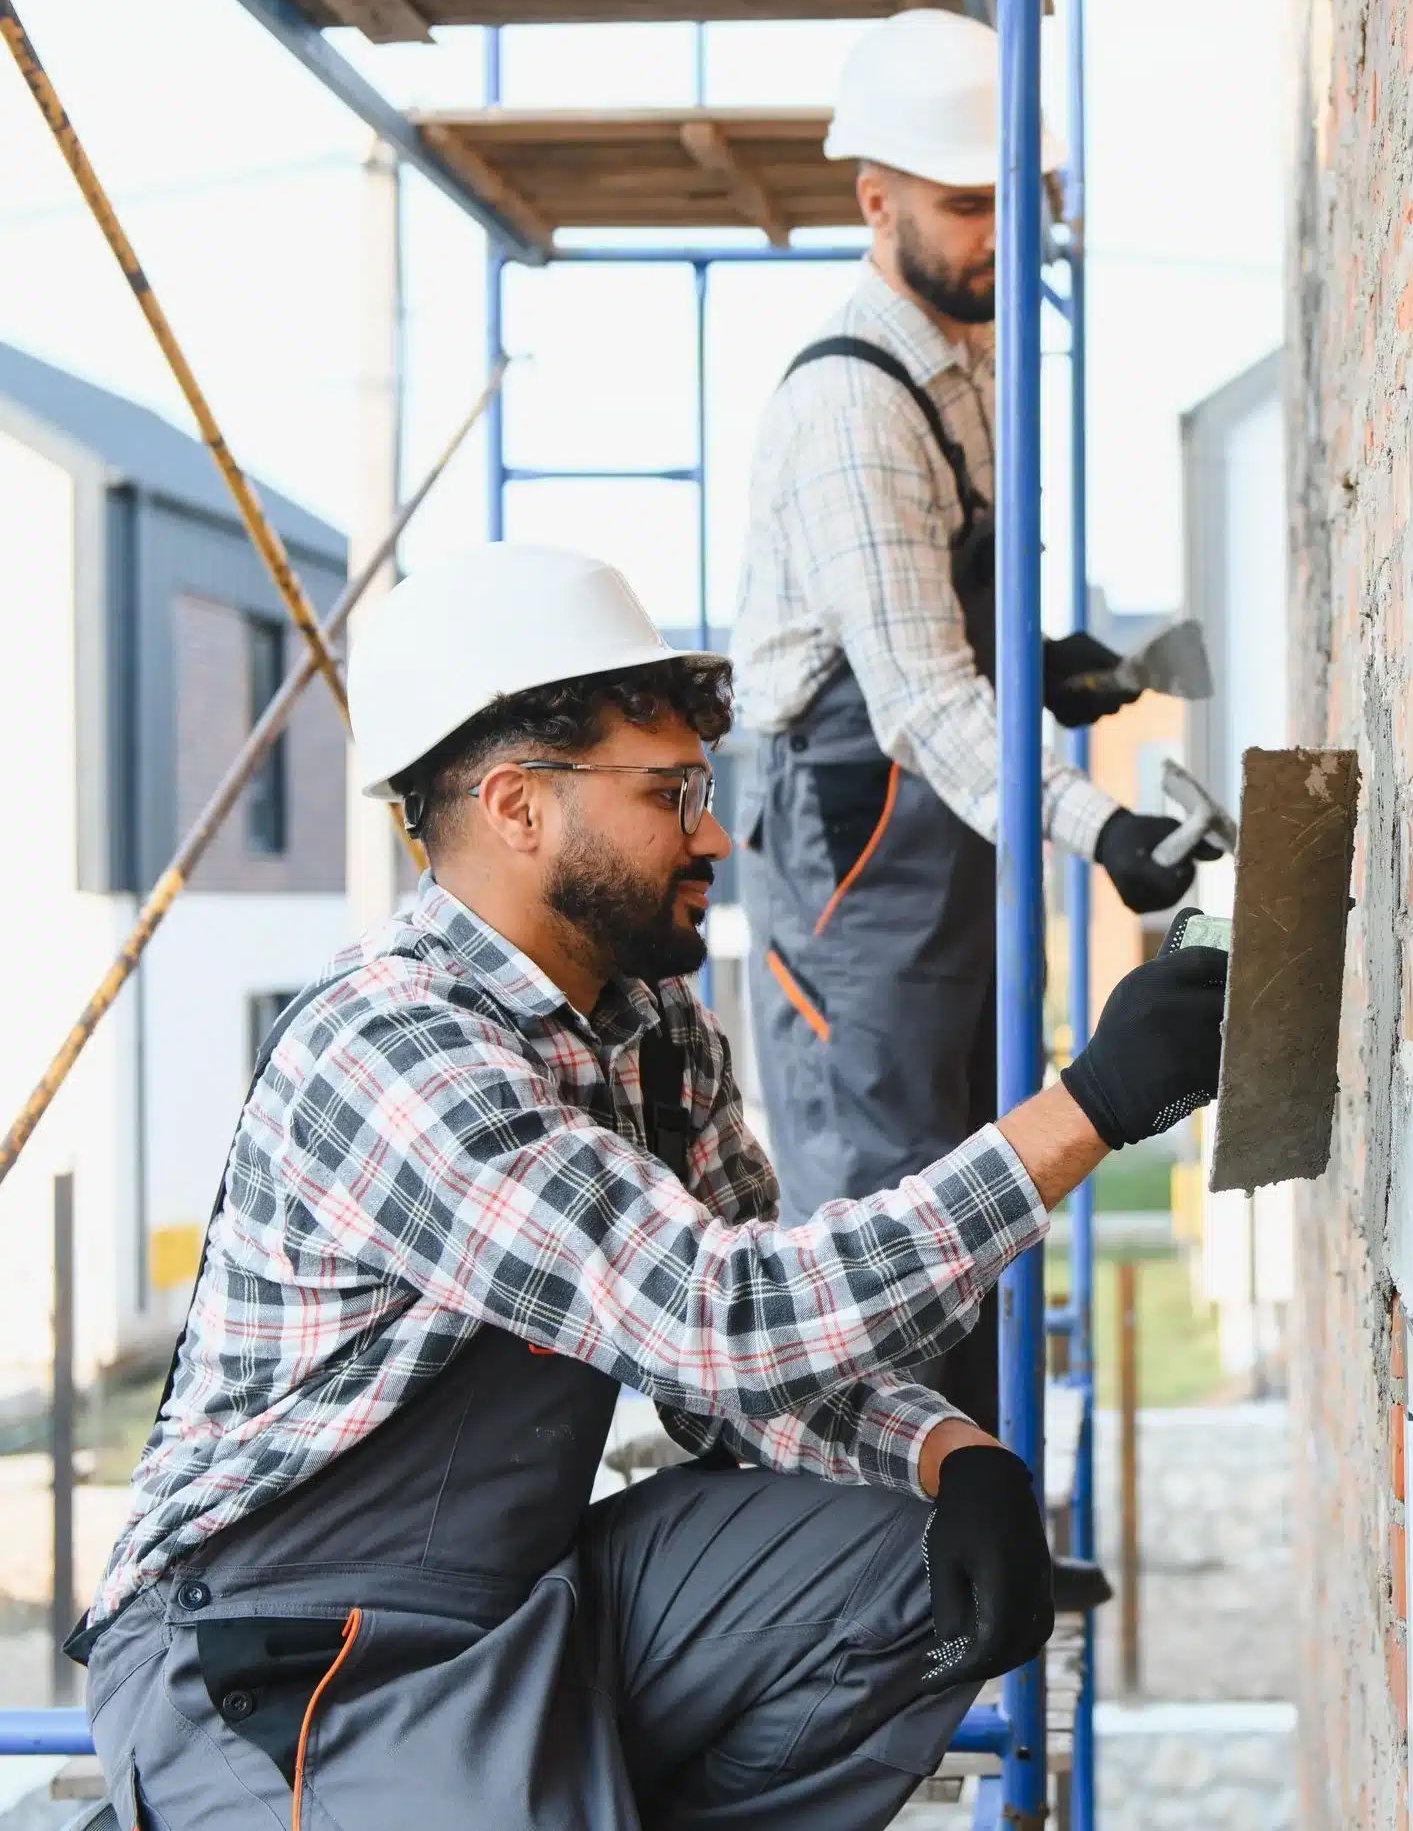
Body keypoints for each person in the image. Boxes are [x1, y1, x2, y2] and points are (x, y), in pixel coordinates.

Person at [67, 543, 1227, 1831]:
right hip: (283, 1657)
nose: (715, 831)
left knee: (906, 1573)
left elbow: (759, 1369)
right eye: (671, 791)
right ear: (519, 806)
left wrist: (953, 1459)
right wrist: (1085, 1113)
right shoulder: (395, 1052)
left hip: (516, 1597)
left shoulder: (653, 1030)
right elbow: (721, 1319)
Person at [732, 10, 1218, 1425]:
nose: (1004, 228)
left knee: (977, 1168)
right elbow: (923, 704)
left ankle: (973, 1532)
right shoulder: (849, 403)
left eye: (1020, 195)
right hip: (857, 844)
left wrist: (1051, 663)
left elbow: (949, 635)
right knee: (888, 1189)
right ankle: (886, 1577)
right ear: (875, 200)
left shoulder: (973, 355)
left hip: (940, 834)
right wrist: (1101, 824)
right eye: (967, 203)